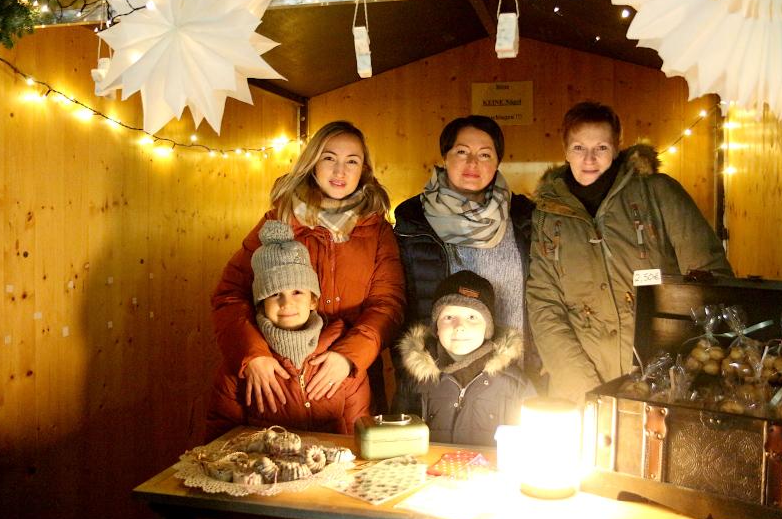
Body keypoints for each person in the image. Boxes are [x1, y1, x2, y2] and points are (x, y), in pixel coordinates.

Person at [526, 101, 733, 405]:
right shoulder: (547, 214)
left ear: (617, 147)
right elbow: (544, 303)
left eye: (601, 148)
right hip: (580, 384)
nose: (589, 159)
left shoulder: (657, 193)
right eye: (579, 147)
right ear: (565, 149)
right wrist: (583, 387)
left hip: (663, 379)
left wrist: (689, 367)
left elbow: (709, 277)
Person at [212, 121, 405, 416]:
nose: (340, 171)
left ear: (363, 170)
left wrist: (349, 356)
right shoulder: (277, 224)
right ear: (313, 164)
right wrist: (253, 355)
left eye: (351, 161)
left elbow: (387, 305)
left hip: (349, 378)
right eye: (329, 158)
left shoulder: (377, 232)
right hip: (280, 377)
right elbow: (230, 295)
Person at [393, 115, 542, 389]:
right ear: (445, 157)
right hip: (440, 382)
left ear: (498, 162)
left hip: (517, 378)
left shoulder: (526, 218)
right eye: (462, 152)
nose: (473, 163)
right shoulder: (413, 221)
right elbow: (401, 306)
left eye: (484, 154)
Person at [206, 221, 370, 441]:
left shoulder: (340, 360)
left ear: (313, 300)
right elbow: (220, 442)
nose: (286, 303)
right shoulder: (241, 365)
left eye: (297, 292)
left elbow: (358, 433)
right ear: (260, 302)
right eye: (274, 294)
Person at [393, 270, 534, 446]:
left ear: (488, 328)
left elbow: (532, 445)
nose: (459, 326)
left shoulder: (515, 384)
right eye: (449, 317)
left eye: (472, 317)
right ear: (436, 327)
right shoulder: (415, 380)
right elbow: (396, 439)